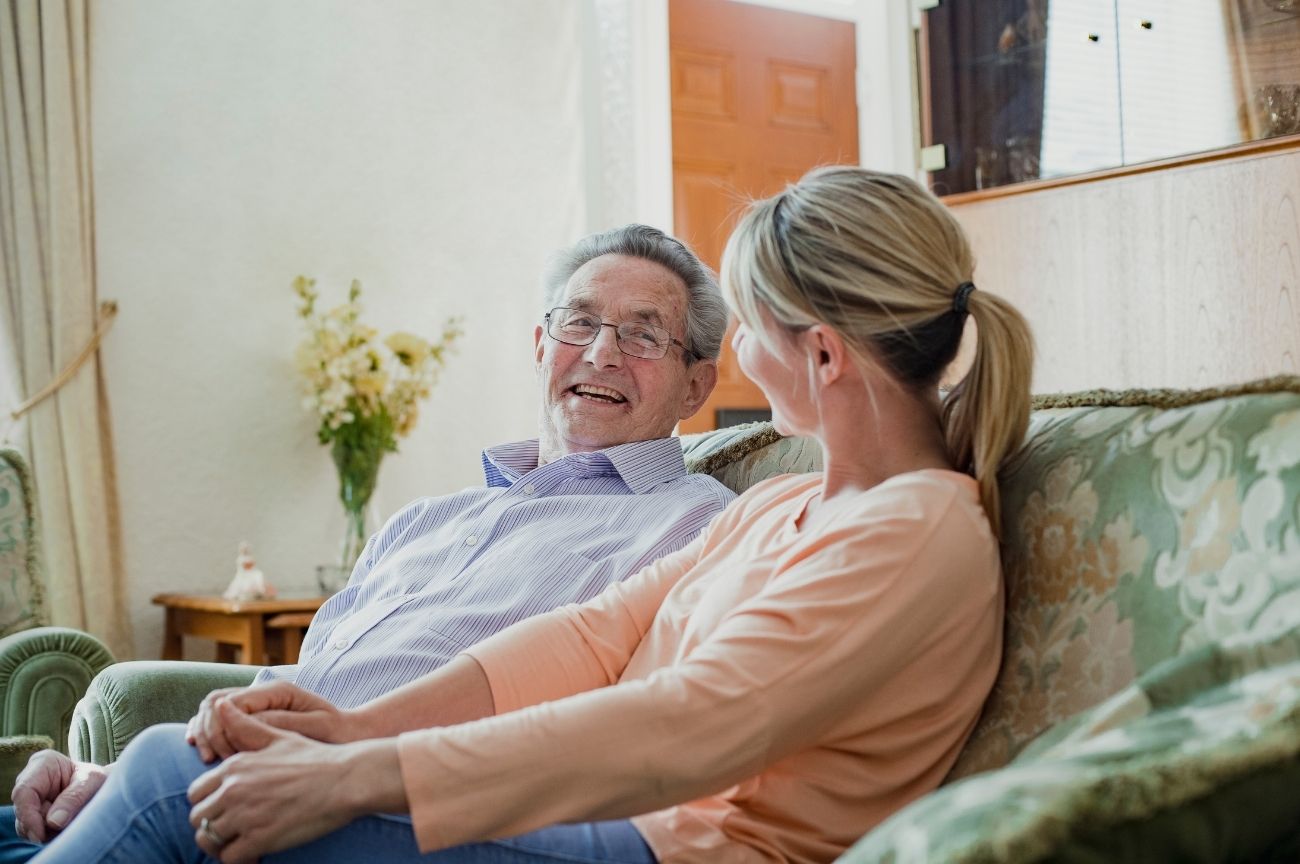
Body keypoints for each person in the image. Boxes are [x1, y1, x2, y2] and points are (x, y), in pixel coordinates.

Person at [29, 167, 1035, 863]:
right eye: (580, 326)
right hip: (617, 828)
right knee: (173, 779)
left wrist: (362, 778)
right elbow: (591, 641)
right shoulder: (781, 505)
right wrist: (351, 730)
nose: (740, 365)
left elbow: (695, 728)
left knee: (172, 779)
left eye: (745, 332)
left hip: (670, 849)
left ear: (819, 356)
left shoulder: (918, 533)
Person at [2, 224, 734, 858]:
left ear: (695, 386)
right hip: (249, 780)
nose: (602, 353)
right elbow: (309, 683)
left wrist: (180, 777)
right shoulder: (426, 520)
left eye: (642, 334)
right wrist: (120, 780)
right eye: (579, 323)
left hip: (399, 806)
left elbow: (616, 724)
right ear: (542, 345)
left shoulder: (696, 524)